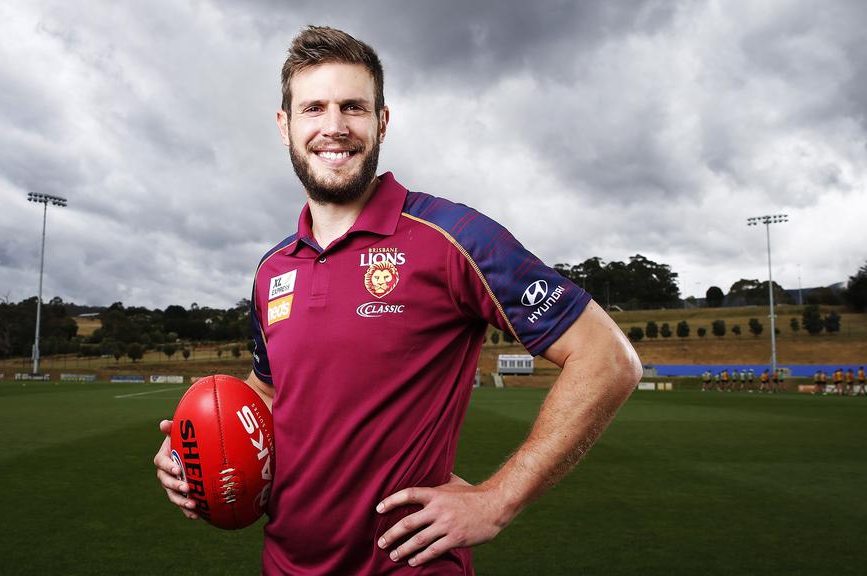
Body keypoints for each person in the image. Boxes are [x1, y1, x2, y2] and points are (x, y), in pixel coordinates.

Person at [152, 25, 642, 574]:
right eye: (313, 108)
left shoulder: (453, 236)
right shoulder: (272, 270)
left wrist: (498, 499)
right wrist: (193, 450)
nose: (333, 127)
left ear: (381, 121)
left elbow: (607, 356)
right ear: (284, 125)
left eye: (353, 107)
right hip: (284, 563)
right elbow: (266, 392)